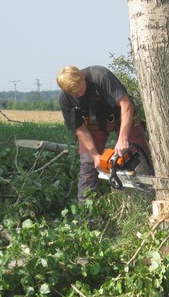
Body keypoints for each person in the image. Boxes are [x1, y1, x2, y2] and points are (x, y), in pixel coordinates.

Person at [56, 65, 151, 200]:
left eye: (79, 90)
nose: (77, 95)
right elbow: (80, 129)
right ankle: (87, 213)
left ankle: (146, 199)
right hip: (95, 122)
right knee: (88, 163)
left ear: (82, 76)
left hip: (121, 115)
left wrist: (123, 139)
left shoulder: (101, 76)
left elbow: (126, 105)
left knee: (137, 153)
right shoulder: (65, 98)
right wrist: (95, 155)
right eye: (73, 93)